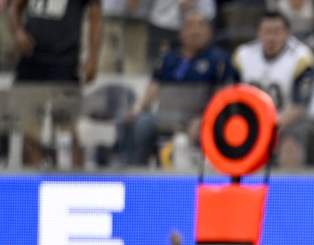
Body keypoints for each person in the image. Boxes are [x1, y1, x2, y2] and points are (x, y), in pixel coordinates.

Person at [117, 11, 234, 167]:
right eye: (190, 26)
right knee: (139, 123)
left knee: (206, 130)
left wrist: (205, 119)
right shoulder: (168, 58)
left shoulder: (218, 59)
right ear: (181, 32)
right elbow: (153, 87)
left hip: (195, 119)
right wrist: (137, 109)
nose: (195, 31)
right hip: (165, 117)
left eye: (200, 26)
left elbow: (222, 97)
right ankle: (135, 171)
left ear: (209, 31)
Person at [6, 0, 102, 167]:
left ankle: (77, 178)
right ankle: (33, 179)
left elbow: (96, 18)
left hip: (64, 60)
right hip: (32, 58)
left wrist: (93, 58)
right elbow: (15, 7)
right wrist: (18, 32)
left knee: (68, 128)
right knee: (29, 130)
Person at [233, 11, 314, 168]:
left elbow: (299, 106)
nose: (271, 37)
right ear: (258, 33)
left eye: (277, 32)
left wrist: (269, 127)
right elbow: (230, 96)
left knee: (290, 146)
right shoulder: (242, 56)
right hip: (254, 121)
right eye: (267, 32)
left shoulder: (302, 58)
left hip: (297, 120)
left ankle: (288, 184)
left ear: (287, 33)